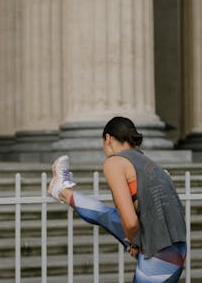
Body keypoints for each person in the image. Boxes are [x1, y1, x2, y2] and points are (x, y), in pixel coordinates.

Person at [48, 116, 187, 282]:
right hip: (176, 247)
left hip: (159, 255)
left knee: (107, 215)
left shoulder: (116, 162)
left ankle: (61, 191)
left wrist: (134, 242)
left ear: (108, 138)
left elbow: (130, 222)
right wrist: (135, 242)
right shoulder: (151, 165)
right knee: (109, 216)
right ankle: (62, 190)